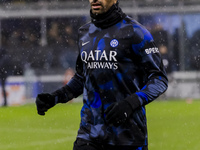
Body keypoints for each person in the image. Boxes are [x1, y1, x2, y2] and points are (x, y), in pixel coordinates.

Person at [35, 0, 168, 150]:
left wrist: (130, 103)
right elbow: (82, 77)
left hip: (127, 137)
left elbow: (159, 79)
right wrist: (55, 97)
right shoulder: (84, 33)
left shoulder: (136, 32)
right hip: (89, 135)